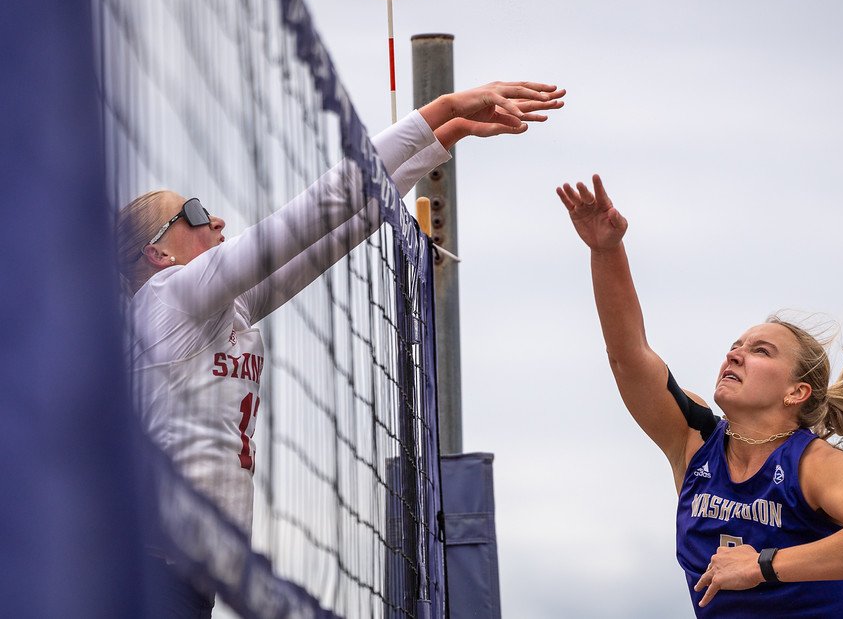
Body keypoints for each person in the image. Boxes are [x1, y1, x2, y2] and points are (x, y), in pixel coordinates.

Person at [116, 81, 565, 617]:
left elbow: (336, 230)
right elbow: (312, 210)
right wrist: (441, 108)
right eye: (193, 211)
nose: (216, 220)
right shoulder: (169, 298)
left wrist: (443, 139)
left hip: (187, 573)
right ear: (157, 254)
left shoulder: (220, 310)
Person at [556, 174, 843, 618]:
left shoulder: (814, 463)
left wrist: (763, 565)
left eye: (760, 351)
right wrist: (606, 250)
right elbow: (628, 355)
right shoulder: (695, 438)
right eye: (736, 345)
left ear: (797, 391)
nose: (735, 354)